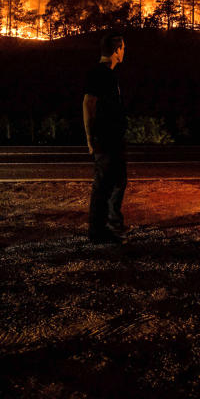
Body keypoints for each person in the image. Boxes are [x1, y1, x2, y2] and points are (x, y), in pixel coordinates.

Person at [82, 31, 128, 244]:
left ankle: (113, 225)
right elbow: (88, 104)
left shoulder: (110, 74)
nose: (125, 51)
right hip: (105, 139)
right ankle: (98, 231)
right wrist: (90, 138)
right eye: (123, 48)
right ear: (117, 50)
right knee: (103, 184)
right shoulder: (99, 73)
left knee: (118, 181)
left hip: (114, 138)